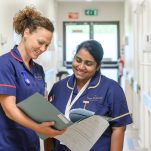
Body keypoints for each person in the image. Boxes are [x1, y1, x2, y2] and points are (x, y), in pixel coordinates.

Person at [46, 40, 133, 151]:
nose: (81, 67)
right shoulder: (59, 87)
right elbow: (48, 125)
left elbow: (118, 128)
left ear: (98, 66)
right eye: (78, 60)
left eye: (88, 63)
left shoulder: (112, 89)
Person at [0, 6, 65, 151]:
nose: (43, 49)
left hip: (31, 144)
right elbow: (9, 109)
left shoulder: (38, 70)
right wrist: (38, 127)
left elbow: (40, 105)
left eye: (47, 45)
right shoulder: (5, 64)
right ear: (26, 32)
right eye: (40, 42)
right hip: (9, 144)